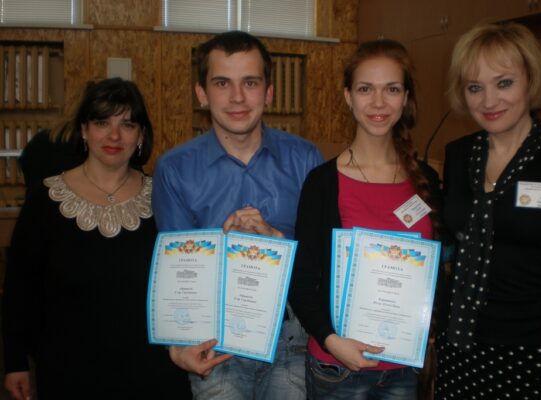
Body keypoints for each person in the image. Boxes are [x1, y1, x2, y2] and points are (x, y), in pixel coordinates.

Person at [151, 31, 323, 400]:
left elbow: (320, 262)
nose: (238, 97)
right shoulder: (174, 169)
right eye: (222, 83)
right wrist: (175, 345)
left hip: (290, 337)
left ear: (269, 92)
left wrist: (276, 240)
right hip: (213, 341)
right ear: (201, 93)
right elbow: (176, 273)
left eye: (250, 82)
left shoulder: (307, 160)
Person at [436, 22, 541, 400]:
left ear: (531, 79)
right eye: (475, 87)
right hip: (459, 347)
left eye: (504, 83)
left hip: (533, 352)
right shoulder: (458, 154)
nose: (489, 101)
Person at [2, 78, 191, 399]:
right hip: (70, 371)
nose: (114, 135)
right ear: (84, 130)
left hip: (152, 372)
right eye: (102, 122)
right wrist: (14, 361)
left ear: (141, 136)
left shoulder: (163, 196)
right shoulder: (46, 200)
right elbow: (20, 286)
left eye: (127, 124)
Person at [288, 39, 441, 399]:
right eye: (365, 89)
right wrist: (331, 340)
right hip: (337, 367)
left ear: (405, 98)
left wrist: (431, 331)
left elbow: (438, 272)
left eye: (392, 89)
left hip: (403, 369)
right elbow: (302, 279)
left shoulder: (427, 180)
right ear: (348, 96)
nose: (378, 102)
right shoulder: (322, 183)